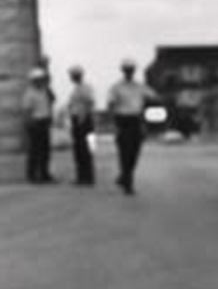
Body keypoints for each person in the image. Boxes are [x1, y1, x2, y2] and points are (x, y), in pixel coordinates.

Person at [106, 58, 157, 195]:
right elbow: (110, 105)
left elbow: (154, 97)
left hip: (136, 120)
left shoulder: (140, 86)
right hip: (122, 121)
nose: (129, 72)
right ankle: (128, 184)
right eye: (127, 70)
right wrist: (113, 123)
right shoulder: (116, 87)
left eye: (131, 70)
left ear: (134, 71)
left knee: (135, 152)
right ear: (123, 71)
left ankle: (124, 175)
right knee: (124, 152)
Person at [21, 68, 55, 183]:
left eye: (42, 79)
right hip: (35, 122)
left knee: (45, 150)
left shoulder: (44, 91)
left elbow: (52, 99)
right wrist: (29, 124)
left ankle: (45, 174)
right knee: (34, 151)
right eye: (39, 79)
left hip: (44, 122)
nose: (42, 81)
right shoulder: (29, 94)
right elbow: (27, 111)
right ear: (34, 80)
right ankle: (32, 175)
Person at [64, 64, 96, 185]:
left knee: (85, 150)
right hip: (78, 120)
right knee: (79, 150)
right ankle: (82, 176)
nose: (70, 77)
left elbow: (89, 103)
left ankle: (86, 177)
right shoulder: (77, 88)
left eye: (72, 75)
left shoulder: (84, 88)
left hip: (84, 121)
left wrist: (82, 119)